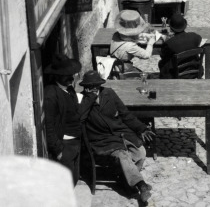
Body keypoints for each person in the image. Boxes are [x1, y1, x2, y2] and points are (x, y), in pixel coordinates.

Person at [79, 70, 156, 203]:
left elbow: (125, 114)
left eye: (95, 86)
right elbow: (79, 118)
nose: (93, 90)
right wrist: (89, 100)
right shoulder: (82, 101)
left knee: (140, 152)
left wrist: (141, 128)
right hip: (101, 140)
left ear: (99, 85)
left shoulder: (109, 93)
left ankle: (125, 181)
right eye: (89, 87)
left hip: (120, 133)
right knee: (122, 155)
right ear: (85, 87)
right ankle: (141, 185)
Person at [43, 54, 95, 185]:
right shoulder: (51, 94)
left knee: (74, 178)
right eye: (66, 75)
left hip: (75, 142)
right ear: (57, 76)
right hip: (64, 145)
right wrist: (58, 149)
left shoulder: (70, 89)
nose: (71, 78)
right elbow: (49, 125)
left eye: (71, 74)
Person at [110, 10, 156, 78]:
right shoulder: (130, 46)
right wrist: (150, 43)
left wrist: (143, 35)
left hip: (116, 64)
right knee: (150, 77)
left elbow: (127, 36)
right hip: (124, 68)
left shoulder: (116, 35)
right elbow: (146, 55)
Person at [158, 13, 203, 79]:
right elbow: (200, 39)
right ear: (184, 26)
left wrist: (167, 41)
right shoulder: (194, 36)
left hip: (176, 74)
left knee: (162, 63)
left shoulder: (170, 43)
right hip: (194, 72)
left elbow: (163, 55)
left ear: (171, 28)